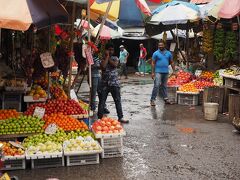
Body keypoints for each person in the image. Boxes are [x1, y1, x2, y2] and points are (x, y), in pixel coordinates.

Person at [98, 43, 129, 123]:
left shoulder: (115, 58)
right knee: (102, 101)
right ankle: (99, 118)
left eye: (112, 50)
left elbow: (115, 65)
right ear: (106, 50)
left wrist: (108, 58)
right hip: (104, 83)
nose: (111, 51)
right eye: (109, 50)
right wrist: (107, 57)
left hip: (114, 83)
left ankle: (120, 117)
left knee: (117, 100)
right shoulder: (102, 58)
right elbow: (103, 67)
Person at [150, 41, 175, 106]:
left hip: (166, 72)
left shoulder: (168, 53)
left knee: (164, 86)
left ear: (164, 45)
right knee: (157, 85)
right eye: (159, 45)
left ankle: (166, 99)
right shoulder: (156, 53)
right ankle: (152, 100)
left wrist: (174, 70)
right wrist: (152, 72)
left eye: (161, 45)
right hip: (158, 72)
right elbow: (153, 63)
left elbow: (172, 62)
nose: (160, 46)